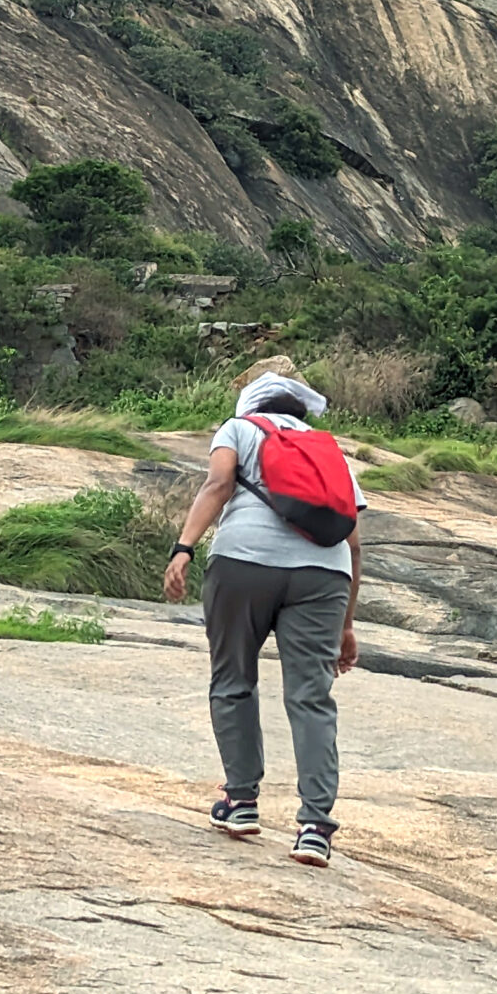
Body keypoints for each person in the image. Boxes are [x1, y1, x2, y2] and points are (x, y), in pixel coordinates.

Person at [162, 359, 368, 868]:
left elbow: (218, 486)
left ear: (252, 407)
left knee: (233, 678)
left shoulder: (239, 428)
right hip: (325, 576)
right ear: (299, 412)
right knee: (311, 697)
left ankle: (241, 802)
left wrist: (183, 547)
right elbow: (355, 542)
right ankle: (315, 826)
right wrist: (346, 622)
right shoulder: (328, 450)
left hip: (245, 564)